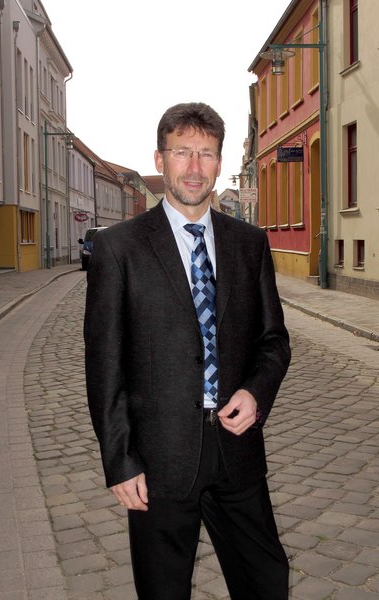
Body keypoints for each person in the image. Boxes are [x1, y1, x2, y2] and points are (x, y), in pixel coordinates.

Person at [84, 102, 291, 600]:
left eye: (207, 153)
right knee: (164, 591)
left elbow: (274, 341)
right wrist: (120, 461)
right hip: (159, 461)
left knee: (267, 582)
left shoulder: (249, 243)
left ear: (219, 163)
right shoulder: (120, 248)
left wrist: (255, 392)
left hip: (237, 452)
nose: (195, 167)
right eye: (182, 152)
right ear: (160, 160)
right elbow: (104, 365)